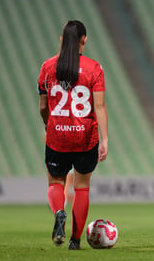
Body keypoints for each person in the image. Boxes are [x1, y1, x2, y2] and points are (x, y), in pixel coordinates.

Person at [37, 20, 108, 250]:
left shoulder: (48, 67)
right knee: (82, 187)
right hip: (85, 137)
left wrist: (51, 126)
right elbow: (100, 107)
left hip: (58, 136)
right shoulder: (94, 68)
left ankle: (59, 212)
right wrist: (104, 139)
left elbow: (42, 107)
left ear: (61, 40)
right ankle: (75, 241)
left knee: (56, 181)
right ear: (84, 40)